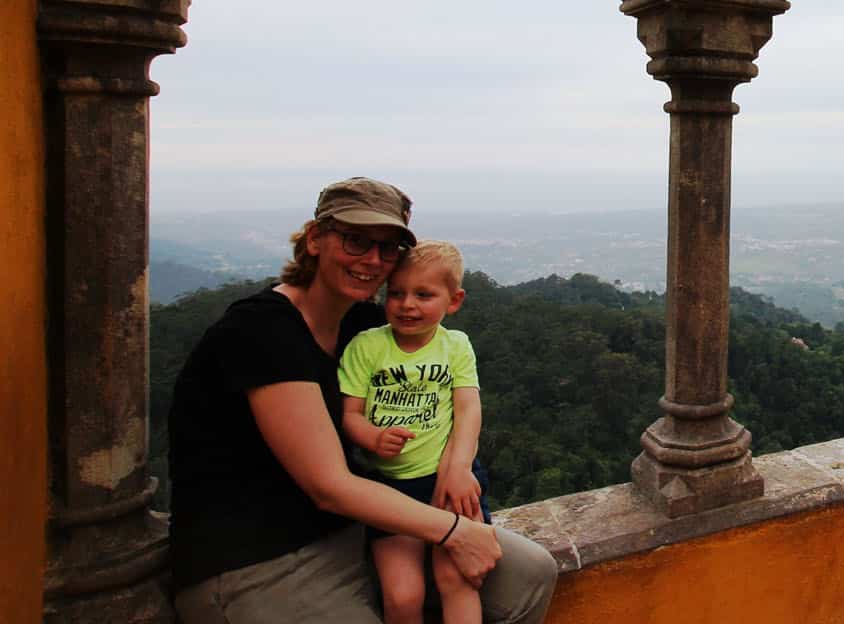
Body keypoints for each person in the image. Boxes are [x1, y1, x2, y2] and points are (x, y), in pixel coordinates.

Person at [167, 178, 556, 624]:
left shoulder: (367, 328)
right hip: (255, 560)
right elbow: (328, 486)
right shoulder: (262, 331)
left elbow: (449, 399)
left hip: (355, 527)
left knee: (532, 575)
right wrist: (454, 531)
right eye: (356, 240)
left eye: (387, 248)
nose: (372, 260)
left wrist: (455, 466)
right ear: (315, 239)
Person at [339, 241, 488, 624]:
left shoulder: (455, 346)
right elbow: (349, 414)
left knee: (457, 578)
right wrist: (371, 437)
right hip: (388, 489)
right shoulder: (367, 346)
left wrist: (458, 467)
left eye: (424, 295)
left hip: (448, 480)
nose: (408, 305)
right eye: (397, 293)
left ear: (453, 301)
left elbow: (468, 408)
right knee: (403, 596)